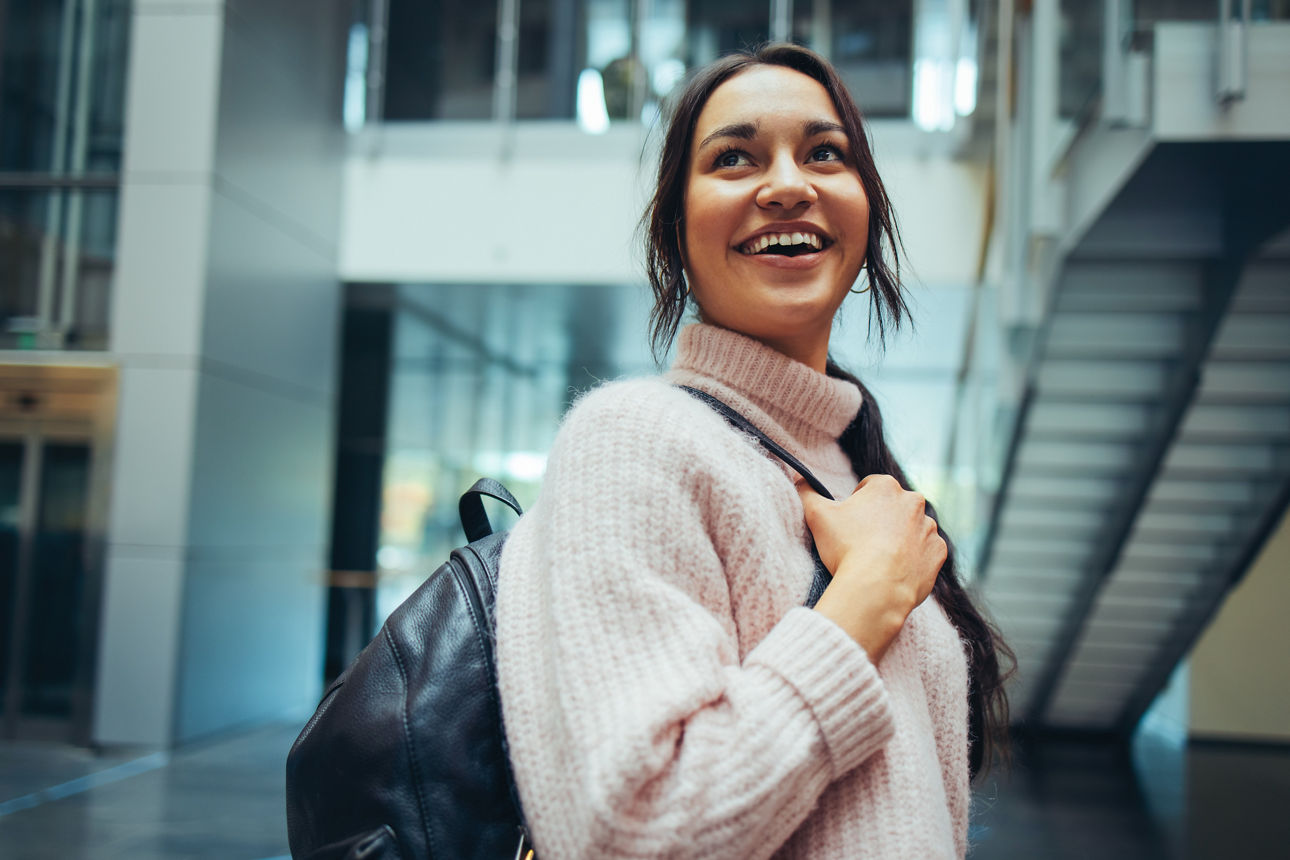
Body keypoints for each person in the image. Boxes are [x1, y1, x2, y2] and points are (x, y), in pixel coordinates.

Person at [495, 43, 1011, 860]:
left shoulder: (851, 468)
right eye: (733, 157)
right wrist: (865, 599)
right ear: (675, 226)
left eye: (824, 154)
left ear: (866, 209)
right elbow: (637, 829)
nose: (787, 185)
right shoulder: (634, 438)